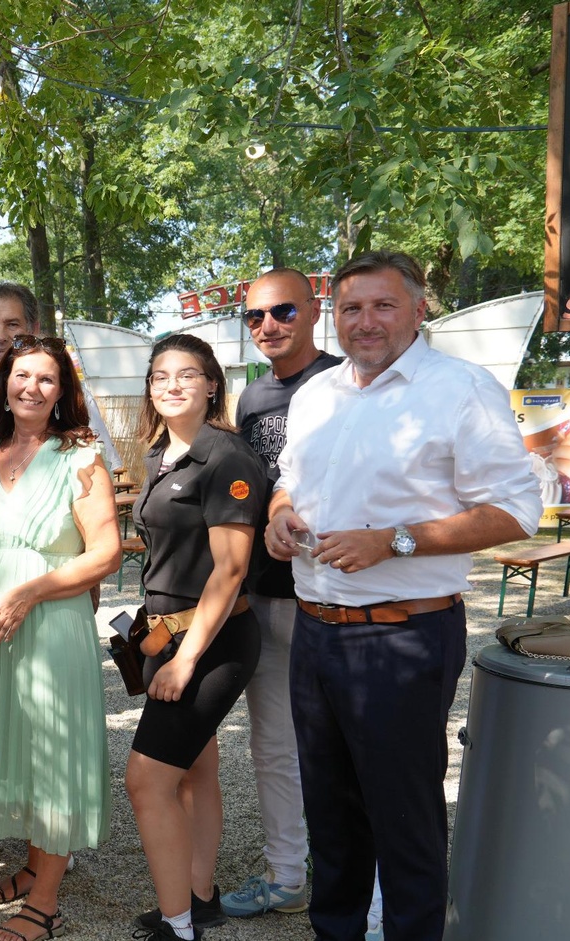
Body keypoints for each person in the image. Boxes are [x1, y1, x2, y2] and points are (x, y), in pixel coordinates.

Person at [265, 251, 542, 941]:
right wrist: (279, 515)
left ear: (419, 310)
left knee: (404, 825)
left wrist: (395, 541)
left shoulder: (460, 389)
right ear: (334, 317)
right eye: (352, 308)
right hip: (315, 631)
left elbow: (516, 511)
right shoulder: (318, 393)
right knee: (331, 821)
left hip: (400, 637)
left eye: (383, 305)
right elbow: (288, 481)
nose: (366, 322)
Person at [0, 335, 121, 941]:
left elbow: (106, 554)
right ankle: (36, 865)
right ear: (4, 384)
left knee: (53, 751)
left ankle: (45, 905)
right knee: (13, 742)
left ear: (62, 390)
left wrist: (29, 593)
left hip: (51, 623)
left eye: (46, 378)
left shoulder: (80, 456)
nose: (32, 388)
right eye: (22, 376)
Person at [125, 334, 267, 941]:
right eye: (160, 376)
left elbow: (230, 571)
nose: (172, 385)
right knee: (193, 771)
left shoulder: (226, 457)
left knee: (146, 780)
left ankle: (177, 925)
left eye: (187, 374)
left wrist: (184, 661)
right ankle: (200, 898)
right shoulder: (162, 455)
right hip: (167, 634)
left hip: (209, 643)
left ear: (212, 385)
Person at [218, 269, 342, 921]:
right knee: (272, 745)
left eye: (283, 311)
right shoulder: (252, 397)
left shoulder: (349, 382)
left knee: (346, 741)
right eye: (255, 316)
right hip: (267, 592)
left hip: (340, 591)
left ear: (314, 309)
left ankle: (363, 886)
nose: (268, 325)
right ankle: (287, 874)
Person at [0, 283, 119, 471]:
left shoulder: (73, 399)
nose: (1, 336)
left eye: (12, 325)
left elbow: (105, 472)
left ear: (34, 329)